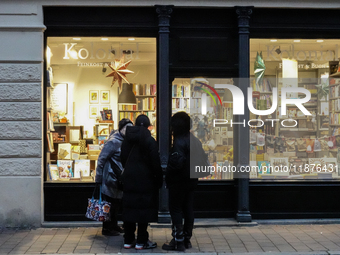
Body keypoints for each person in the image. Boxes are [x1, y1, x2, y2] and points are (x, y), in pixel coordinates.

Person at [162, 111, 205, 251]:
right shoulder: (194, 139)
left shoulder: (179, 141)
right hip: (192, 180)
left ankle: (178, 240)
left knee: (175, 209)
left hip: (178, 181)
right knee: (188, 209)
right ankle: (187, 239)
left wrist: (168, 175)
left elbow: (176, 164)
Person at [120, 114, 163, 250]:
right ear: (149, 126)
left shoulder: (127, 140)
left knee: (129, 210)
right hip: (146, 180)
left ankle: (128, 240)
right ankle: (141, 241)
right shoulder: (150, 141)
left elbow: (122, 158)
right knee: (143, 211)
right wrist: (158, 178)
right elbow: (155, 162)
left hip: (129, 179)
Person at [95, 118, 133, 236]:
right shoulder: (113, 141)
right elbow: (101, 159)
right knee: (109, 203)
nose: (129, 131)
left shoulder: (126, 140)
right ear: (121, 128)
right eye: (127, 128)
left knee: (116, 203)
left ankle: (114, 225)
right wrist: (99, 177)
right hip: (110, 178)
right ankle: (107, 228)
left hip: (118, 177)